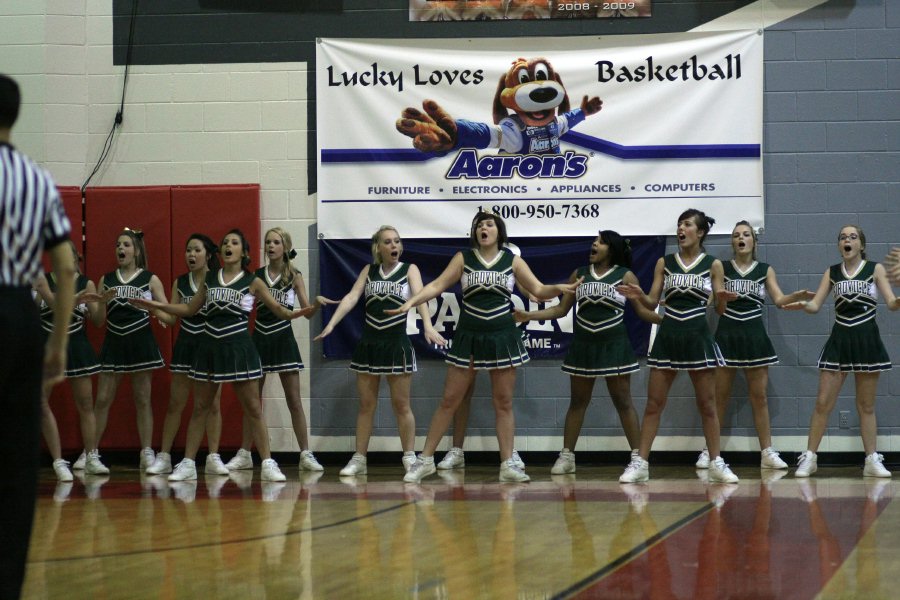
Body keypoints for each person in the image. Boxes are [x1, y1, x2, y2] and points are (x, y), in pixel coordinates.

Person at [394, 210, 579, 483]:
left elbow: (538, 291)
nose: (484, 228)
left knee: (503, 402)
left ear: (499, 232)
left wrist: (560, 288)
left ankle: (507, 464)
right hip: (469, 335)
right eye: (479, 225)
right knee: (449, 400)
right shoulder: (463, 258)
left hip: (502, 336)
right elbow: (436, 285)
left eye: (489, 224)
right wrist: (411, 302)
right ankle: (425, 460)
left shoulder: (512, 261)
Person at [132, 229, 313, 482]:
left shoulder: (253, 281)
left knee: (252, 407)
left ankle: (268, 463)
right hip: (210, 347)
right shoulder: (210, 279)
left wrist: (307, 309)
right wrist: (156, 305)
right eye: (225, 242)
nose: (228, 245)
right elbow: (188, 308)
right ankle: (187, 463)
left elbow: (279, 310)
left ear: (244, 253)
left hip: (240, 347)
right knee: (201, 407)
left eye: (235, 242)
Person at [0, 72, 76, 600]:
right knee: (17, 451)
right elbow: (67, 270)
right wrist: (59, 344)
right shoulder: (38, 179)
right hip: (21, 318)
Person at [514, 230, 655, 474]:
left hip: (615, 344)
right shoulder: (579, 274)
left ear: (611, 248)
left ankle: (638, 460)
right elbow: (560, 310)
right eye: (594, 241)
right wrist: (529, 315)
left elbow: (643, 312)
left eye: (600, 242)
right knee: (578, 401)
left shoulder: (625, 275)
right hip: (584, 345)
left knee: (623, 401)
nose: (594, 244)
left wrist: (669, 320)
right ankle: (567, 456)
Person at [618, 208, 740, 484]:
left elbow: (719, 310)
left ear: (700, 232)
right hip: (668, 336)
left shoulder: (713, 264)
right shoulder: (665, 262)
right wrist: (639, 295)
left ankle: (716, 461)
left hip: (698, 337)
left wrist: (722, 299)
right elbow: (652, 302)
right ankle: (641, 463)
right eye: (679, 225)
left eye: (687, 225)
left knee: (708, 404)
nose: (681, 229)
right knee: (654, 403)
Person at [315, 225, 445, 475]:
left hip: (396, 343)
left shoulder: (410, 269)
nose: (394, 246)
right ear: (378, 247)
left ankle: (409, 456)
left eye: (397, 241)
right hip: (369, 344)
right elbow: (353, 297)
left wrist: (428, 326)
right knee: (366, 405)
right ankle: (359, 458)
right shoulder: (369, 270)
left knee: (401, 405)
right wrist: (331, 324)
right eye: (388, 242)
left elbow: (420, 298)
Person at [784, 225, 898, 478]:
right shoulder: (832, 272)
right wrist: (804, 304)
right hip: (839, 340)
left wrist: (898, 300)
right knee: (823, 402)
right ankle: (810, 457)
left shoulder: (875, 269)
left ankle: (871, 459)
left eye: (853, 237)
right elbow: (816, 304)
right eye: (843, 237)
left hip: (867, 341)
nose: (847, 240)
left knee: (866, 405)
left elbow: (890, 302)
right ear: (839, 245)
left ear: (862, 245)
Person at [698, 221, 814, 470]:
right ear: (732, 242)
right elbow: (716, 309)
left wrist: (797, 296)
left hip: (755, 337)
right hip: (727, 335)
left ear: (754, 241)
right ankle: (710, 451)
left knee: (759, 397)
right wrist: (720, 299)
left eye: (746, 234)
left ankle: (766, 452)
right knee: (720, 397)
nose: (741, 238)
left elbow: (779, 299)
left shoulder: (764, 269)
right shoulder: (721, 267)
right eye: (737, 235)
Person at [225, 227, 330, 473]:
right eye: (267, 242)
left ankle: (305, 453)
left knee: (294, 399)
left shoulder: (294, 276)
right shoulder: (255, 276)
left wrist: (315, 304)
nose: (271, 246)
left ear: (285, 247)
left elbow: (306, 313)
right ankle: (244, 453)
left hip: (283, 340)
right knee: (253, 401)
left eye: (276, 242)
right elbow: (245, 308)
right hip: (259, 339)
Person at [145, 234, 225, 476]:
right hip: (186, 345)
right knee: (176, 403)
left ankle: (213, 456)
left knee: (212, 405)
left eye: (196, 250)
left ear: (208, 255)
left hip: (211, 344)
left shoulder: (217, 280)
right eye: (188, 250)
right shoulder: (180, 282)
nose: (191, 255)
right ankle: (165, 456)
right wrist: (153, 307)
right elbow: (171, 319)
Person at [92, 228, 168, 470]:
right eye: (117, 245)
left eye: (125, 245)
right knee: (102, 399)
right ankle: (91, 452)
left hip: (140, 341)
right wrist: (101, 302)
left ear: (136, 250)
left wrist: (154, 309)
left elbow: (167, 310)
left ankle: (146, 452)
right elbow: (98, 321)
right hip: (114, 341)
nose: (120, 249)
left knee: (142, 398)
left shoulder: (149, 279)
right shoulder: (107, 279)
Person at [33, 241, 111, 480]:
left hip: (77, 346)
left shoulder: (85, 282)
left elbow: (97, 321)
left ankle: (91, 456)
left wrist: (103, 301)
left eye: (71, 254)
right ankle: (58, 461)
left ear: (77, 257)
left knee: (86, 403)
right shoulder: (42, 280)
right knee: (40, 402)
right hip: (48, 345)